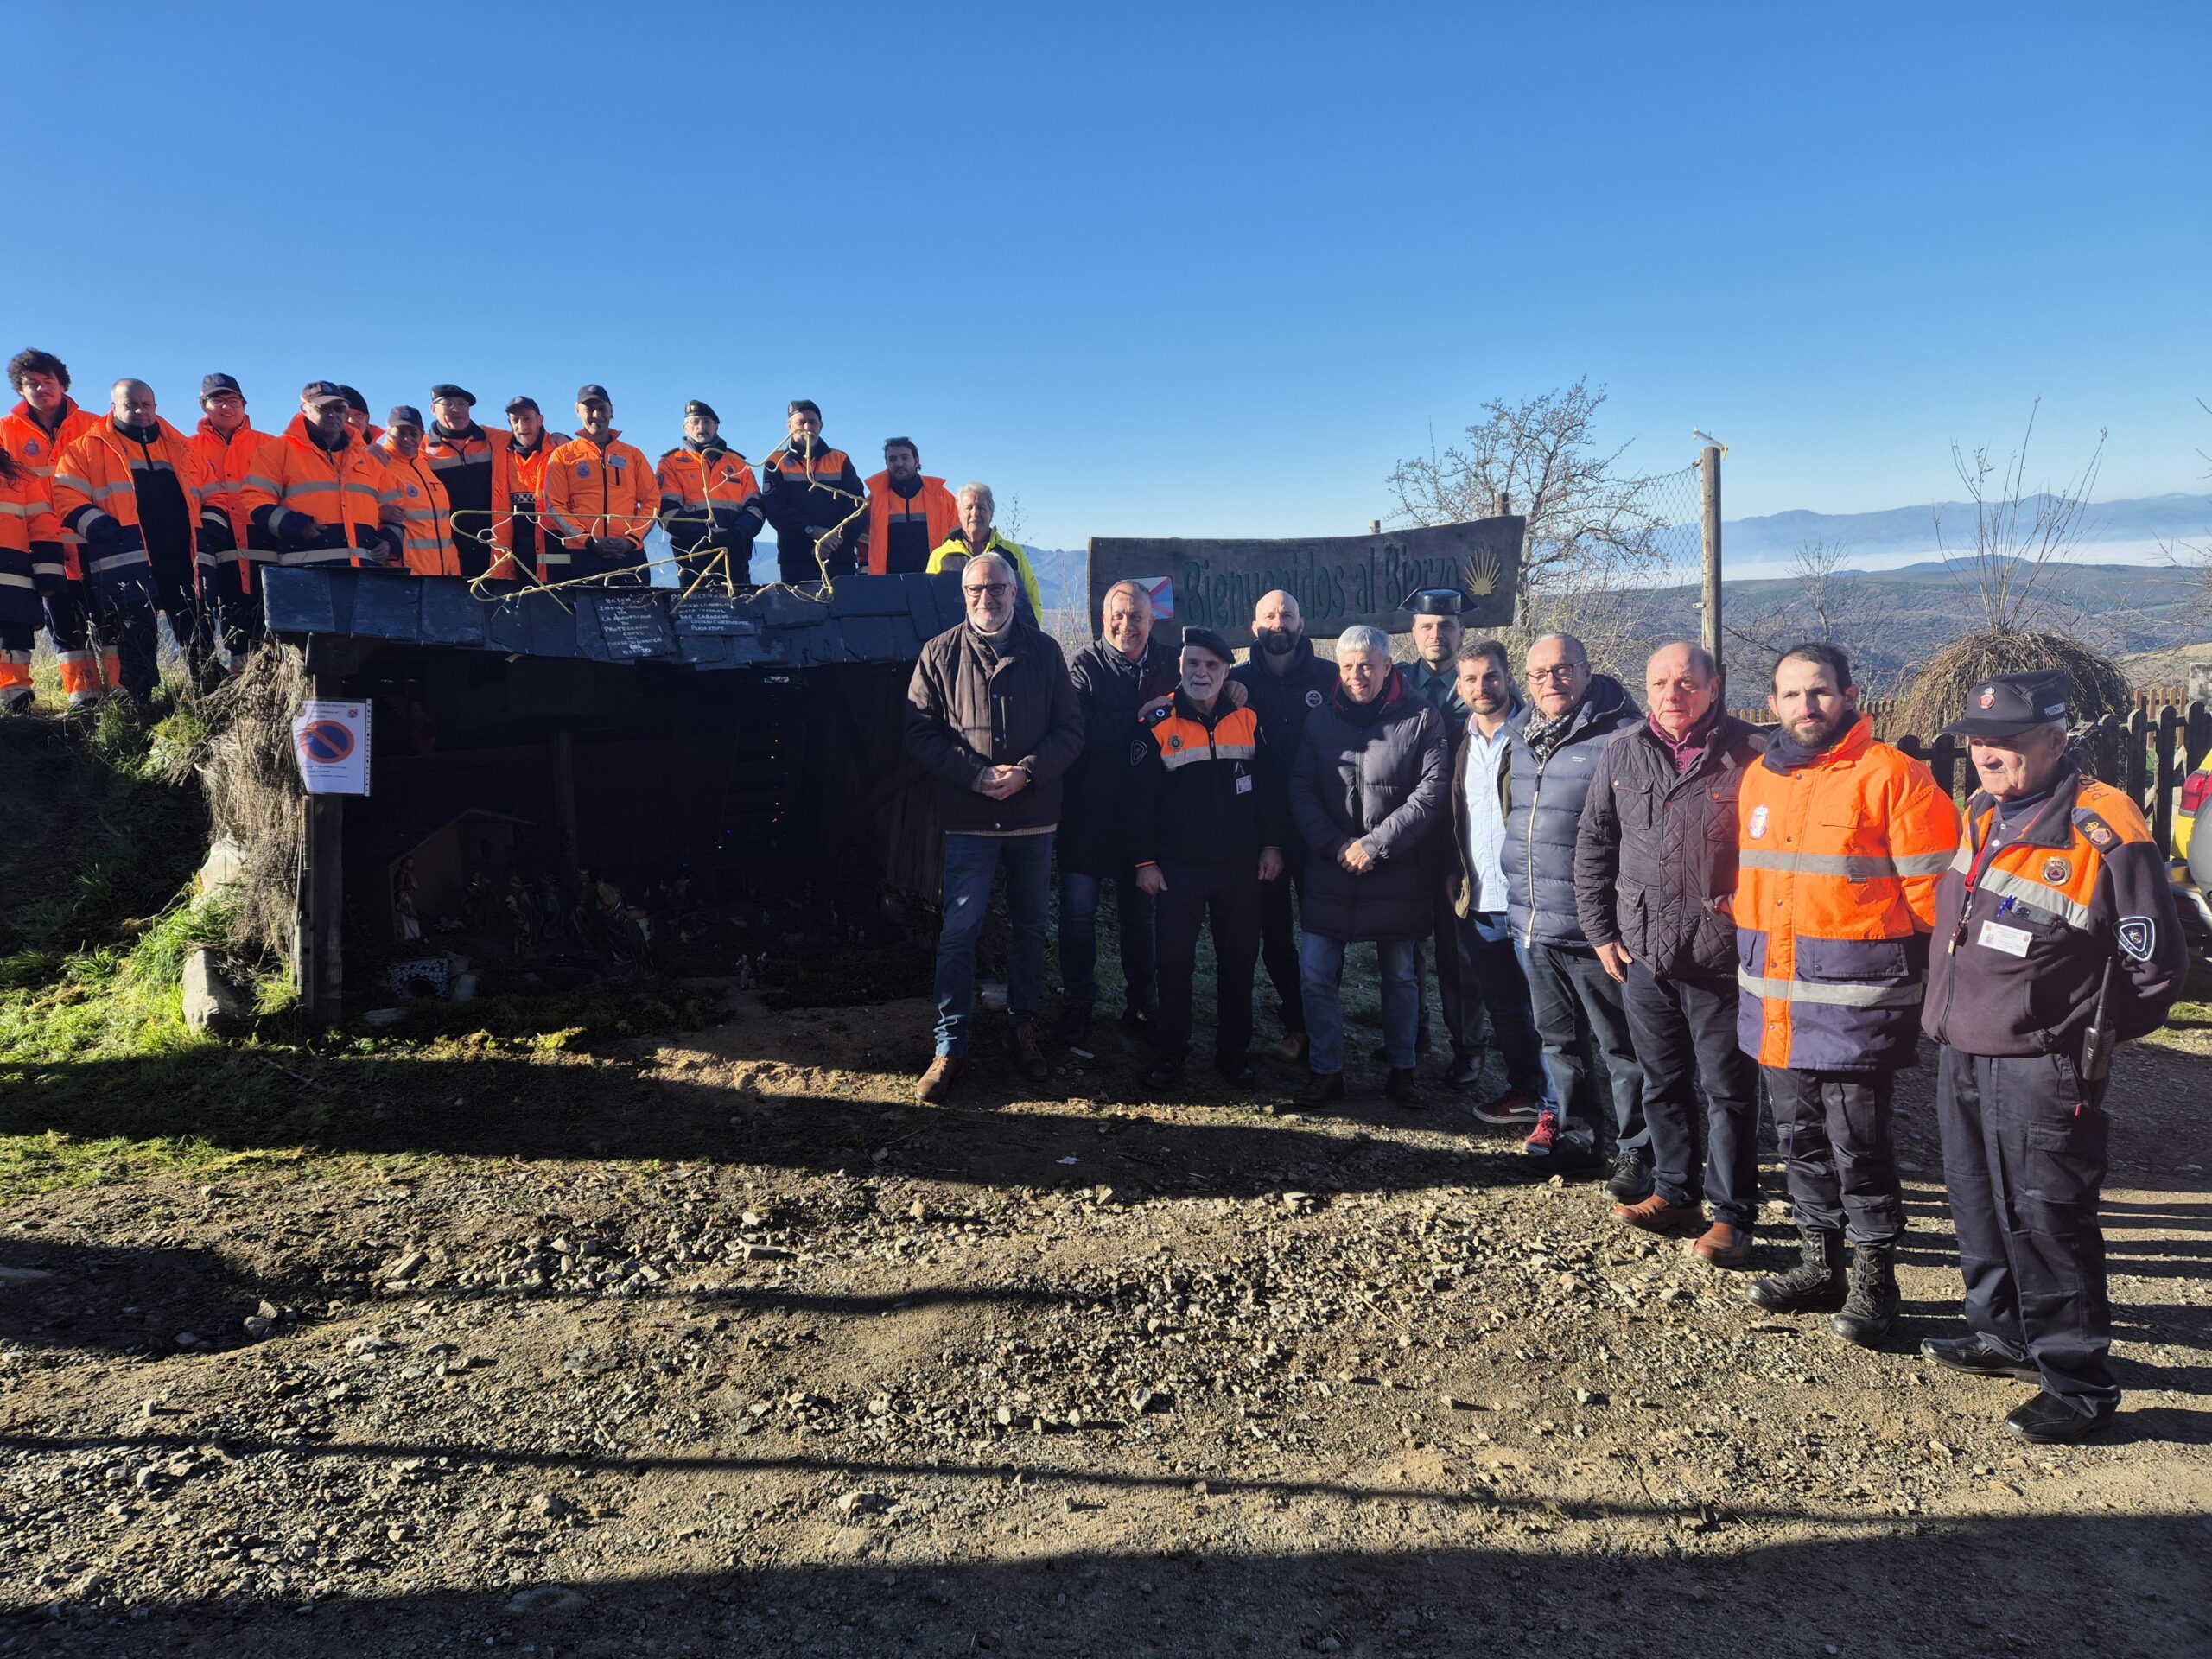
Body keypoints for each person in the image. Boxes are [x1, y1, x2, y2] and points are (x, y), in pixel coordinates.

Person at [1920, 671, 2184, 1441]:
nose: (1986, 755)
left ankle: (2078, 1383)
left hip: (2042, 1064)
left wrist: (2072, 1036)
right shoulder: (1981, 810)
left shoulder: (2102, 823)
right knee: (1976, 1200)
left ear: (2055, 740)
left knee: (2049, 1217)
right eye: (1976, 742)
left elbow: (2155, 967)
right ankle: (2001, 1330)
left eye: (2005, 742)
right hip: (1963, 1047)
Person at [1736, 642, 1961, 1346]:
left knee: (1858, 1144)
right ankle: (1819, 1263)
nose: (1808, 706)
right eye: (1794, 694)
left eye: (1821, 692)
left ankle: (1875, 1277)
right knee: (1798, 1138)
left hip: (1857, 1007)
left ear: (1849, 695)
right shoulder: (1759, 780)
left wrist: (1934, 989)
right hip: (1777, 1004)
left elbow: (1937, 900)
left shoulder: (1893, 775)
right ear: (1772, 703)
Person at [1573, 643, 1765, 1266]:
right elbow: (1595, 842)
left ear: (1714, 688)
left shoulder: (1752, 755)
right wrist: (1600, 930)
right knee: (1661, 1081)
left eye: (1687, 683)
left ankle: (1733, 1215)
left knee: (1727, 1089)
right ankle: (1675, 1190)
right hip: (1642, 952)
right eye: (1660, 682)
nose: (1672, 694)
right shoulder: (1623, 750)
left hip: (1720, 955)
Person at [903, 550, 1084, 1102]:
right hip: (970, 820)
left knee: (1031, 929)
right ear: (964, 595)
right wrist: (976, 776)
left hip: (1033, 820)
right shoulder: (938, 655)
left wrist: (1027, 773)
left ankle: (1022, 1029)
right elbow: (919, 735)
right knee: (959, 932)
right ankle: (949, 1046)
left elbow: (1070, 732)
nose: (987, 598)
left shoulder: (1046, 652)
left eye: (997, 588)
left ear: (1014, 592)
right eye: (976, 589)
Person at [1503, 632, 1645, 1183]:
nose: (1550, 683)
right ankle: (1580, 1138)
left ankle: (1638, 1151)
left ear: (1587, 672)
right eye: (1538, 675)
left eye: (1562, 671)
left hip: (1595, 926)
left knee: (1621, 1047)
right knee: (1559, 1043)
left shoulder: (1620, 734)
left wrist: (1617, 916)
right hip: (1535, 921)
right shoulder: (1521, 734)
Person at [1287, 625, 1449, 1107]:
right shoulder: (1318, 720)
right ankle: (1325, 1070)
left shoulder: (1422, 717)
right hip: (1330, 867)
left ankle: (1403, 1071)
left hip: (1397, 868)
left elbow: (1431, 793)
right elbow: (1300, 789)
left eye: (1366, 666)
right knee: (1315, 972)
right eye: (1347, 666)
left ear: (1386, 666)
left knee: (1400, 975)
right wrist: (1336, 845)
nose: (1357, 675)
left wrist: (1376, 845)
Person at [1128, 626, 1284, 1088]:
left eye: (1212, 665)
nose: (1202, 673)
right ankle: (1171, 1053)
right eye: (1193, 663)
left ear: (1226, 671)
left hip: (1240, 866)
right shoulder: (1157, 721)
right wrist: (1144, 862)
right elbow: (1137, 802)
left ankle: (1232, 1053)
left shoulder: (1250, 718)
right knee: (1174, 963)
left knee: (1238, 959)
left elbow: (1271, 793)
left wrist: (1273, 846)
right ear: (1180, 666)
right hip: (1178, 868)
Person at [1056, 579, 1179, 1049]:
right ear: (1104, 617)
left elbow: (1202, 695)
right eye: (1119, 615)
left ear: (1153, 620)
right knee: (1078, 916)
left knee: (1139, 916)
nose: (1127, 624)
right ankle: (1079, 1000)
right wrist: (1139, 718)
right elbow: (1078, 730)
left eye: (1137, 616)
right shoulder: (1083, 665)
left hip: (1146, 816)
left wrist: (1233, 690)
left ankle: (1142, 1003)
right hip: (1087, 812)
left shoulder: (1172, 663)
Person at [1442, 635, 1549, 1127]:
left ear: (1508, 678)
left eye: (1490, 675)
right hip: (1481, 898)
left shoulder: (1538, 736)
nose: (1482, 686)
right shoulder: (1459, 741)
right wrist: (1453, 873)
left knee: (1550, 1013)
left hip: (1534, 899)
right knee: (1505, 1008)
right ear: (1459, 686)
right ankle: (1527, 1091)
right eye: (1471, 678)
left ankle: (1561, 1108)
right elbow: (1454, 816)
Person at [1227, 588, 1338, 1062]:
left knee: (1324, 934)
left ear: (1302, 622)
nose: (1278, 623)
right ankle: (1297, 1023)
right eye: (1269, 616)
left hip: (1320, 829)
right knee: (1274, 935)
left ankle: (1324, 1025)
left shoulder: (1331, 678)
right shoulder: (1234, 681)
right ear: (1255, 628)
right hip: (1260, 832)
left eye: (1287, 615)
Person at [52, 379, 209, 702]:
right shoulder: (85, 448)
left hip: (181, 559)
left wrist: (212, 528)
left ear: (155, 407)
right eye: (130, 404)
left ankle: (209, 693)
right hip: (126, 560)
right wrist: (98, 526)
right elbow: (64, 494)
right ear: (113, 407)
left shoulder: (181, 447)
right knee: (134, 636)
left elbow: (210, 490)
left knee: (196, 631)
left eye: (145, 404)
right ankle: (141, 703)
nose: (139, 410)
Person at [3, 348, 109, 707]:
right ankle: (84, 698)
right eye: (31, 383)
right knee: (62, 625)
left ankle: (124, 694)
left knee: (109, 619)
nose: (41, 388)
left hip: (93, 538)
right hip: (41, 547)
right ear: (20, 390)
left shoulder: (96, 425)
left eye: (47, 381)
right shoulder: (6, 431)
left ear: (62, 384)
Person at [1400, 590, 1478, 1077]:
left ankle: (1468, 1045)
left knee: (1458, 950)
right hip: (1405, 831)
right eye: (1427, 625)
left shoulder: (1477, 685)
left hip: (1458, 833)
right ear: (1413, 632)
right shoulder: (1395, 681)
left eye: (1446, 625)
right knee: (1405, 941)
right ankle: (1412, 1031)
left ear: (1461, 632)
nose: (1436, 634)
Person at [238, 383, 404, 572]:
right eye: (323, 408)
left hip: (365, 573)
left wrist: (389, 540)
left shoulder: (367, 459)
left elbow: (396, 509)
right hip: (304, 574)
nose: (332, 414)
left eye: (338, 408)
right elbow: (254, 498)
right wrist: (295, 525)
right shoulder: (277, 451)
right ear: (304, 410)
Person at [188, 373, 273, 671]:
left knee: (267, 616)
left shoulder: (270, 445)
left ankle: (270, 680)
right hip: (215, 542)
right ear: (204, 406)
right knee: (227, 615)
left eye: (233, 400)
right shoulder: (187, 448)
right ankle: (237, 684)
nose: (227, 406)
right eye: (218, 400)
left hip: (262, 540)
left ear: (244, 404)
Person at [542, 385, 657, 582]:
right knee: (585, 612)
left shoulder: (633, 455)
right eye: (589, 409)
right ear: (577, 411)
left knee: (638, 612)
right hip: (582, 555)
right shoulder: (563, 455)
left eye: (602, 408)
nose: (596, 415)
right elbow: (554, 505)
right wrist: (587, 540)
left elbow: (651, 501)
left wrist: (631, 540)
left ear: (611, 411)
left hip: (630, 555)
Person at [756, 400, 866, 583]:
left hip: (839, 556)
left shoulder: (840, 459)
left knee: (845, 610)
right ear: (790, 426)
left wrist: (833, 538)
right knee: (799, 611)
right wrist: (811, 531)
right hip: (796, 559)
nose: (807, 427)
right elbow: (774, 508)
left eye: (813, 422)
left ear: (820, 426)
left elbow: (858, 505)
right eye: (801, 422)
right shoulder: (776, 462)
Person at [422, 385, 515, 582]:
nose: (457, 410)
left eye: (463, 404)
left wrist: (559, 437)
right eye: (449, 404)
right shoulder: (422, 449)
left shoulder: (493, 439)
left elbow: (529, 437)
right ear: (433, 409)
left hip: (490, 544)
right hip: (448, 547)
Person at [656, 400, 760, 572]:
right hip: (692, 552)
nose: (700, 426)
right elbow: (666, 510)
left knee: (740, 598)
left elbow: (756, 507)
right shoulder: (670, 463)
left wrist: (736, 535)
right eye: (694, 422)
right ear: (685, 428)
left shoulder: (738, 463)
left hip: (735, 551)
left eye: (706, 421)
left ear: (716, 426)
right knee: (696, 599)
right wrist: (705, 536)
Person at [0, 437, 60, 715]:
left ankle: (16, 700)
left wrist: (49, 576)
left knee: (13, 641)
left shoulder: (22, 479)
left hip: (14, 580)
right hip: (15, 580)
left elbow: (44, 525)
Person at [926, 483, 1045, 624]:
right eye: (969, 507)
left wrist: (1033, 634)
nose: (975, 513)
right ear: (959, 513)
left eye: (981, 507)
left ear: (991, 513)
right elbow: (929, 603)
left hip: (1006, 641)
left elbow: (1032, 597)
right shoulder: (940, 556)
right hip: (956, 640)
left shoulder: (1012, 553)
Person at [373, 409, 459, 576]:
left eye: (413, 433)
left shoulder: (424, 464)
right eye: (400, 433)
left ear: (422, 434)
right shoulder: (379, 463)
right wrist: (378, 512)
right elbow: (355, 503)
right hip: (407, 573)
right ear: (388, 432)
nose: (408, 439)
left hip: (446, 573)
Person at [861, 438, 961, 575]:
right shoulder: (874, 501)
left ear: (916, 460)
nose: (899, 463)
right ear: (887, 464)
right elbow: (862, 542)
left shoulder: (942, 497)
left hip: (935, 580)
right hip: (888, 583)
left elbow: (960, 539)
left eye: (905, 457)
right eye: (893, 459)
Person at [501, 397, 569, 582]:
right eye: (516, 420)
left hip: (556, 544)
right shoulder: (501, 452)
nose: (522, 425)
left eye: (527, 419)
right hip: (515, 549)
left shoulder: (561, 449)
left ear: (540, 420)